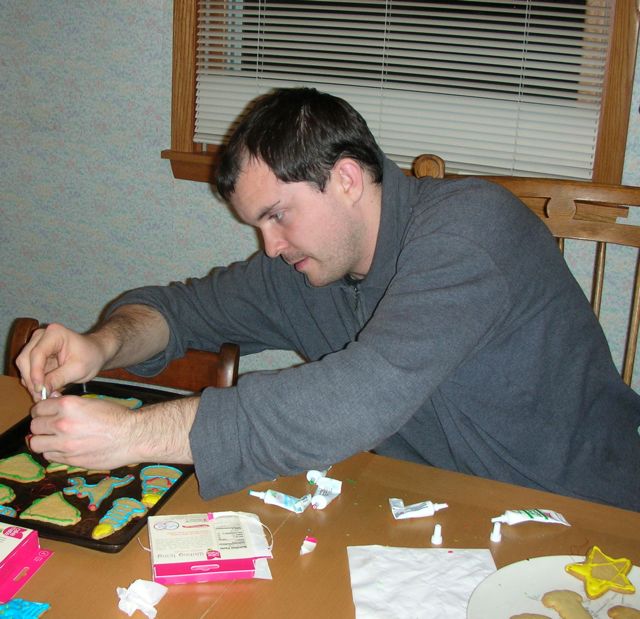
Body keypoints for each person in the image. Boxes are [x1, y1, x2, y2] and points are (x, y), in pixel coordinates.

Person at [17, 87, 640, 511]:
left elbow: (360, 393)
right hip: (439, 511)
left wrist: (135, 434)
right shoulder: (304, 268)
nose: (269, 246)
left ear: (345, 178)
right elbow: (181, 310)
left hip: (592, 514)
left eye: (277, 215)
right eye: (257, 226)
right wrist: (103, 343)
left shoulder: (471, 229)